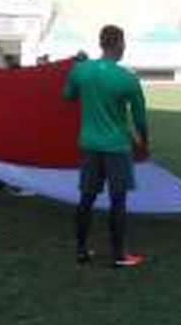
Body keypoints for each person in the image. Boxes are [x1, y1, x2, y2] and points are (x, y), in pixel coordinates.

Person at [63, 25, 149, 267]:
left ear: (101, 43)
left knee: (86, 198)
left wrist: (78, 71)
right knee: (118, 200)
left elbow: (68, 97)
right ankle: (119, 255)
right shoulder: (128, 78)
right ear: (120, 43)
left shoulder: (81, 70)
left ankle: (81, 251)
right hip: (116, 147)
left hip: (89, 145)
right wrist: (144, 142)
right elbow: (140, 119)